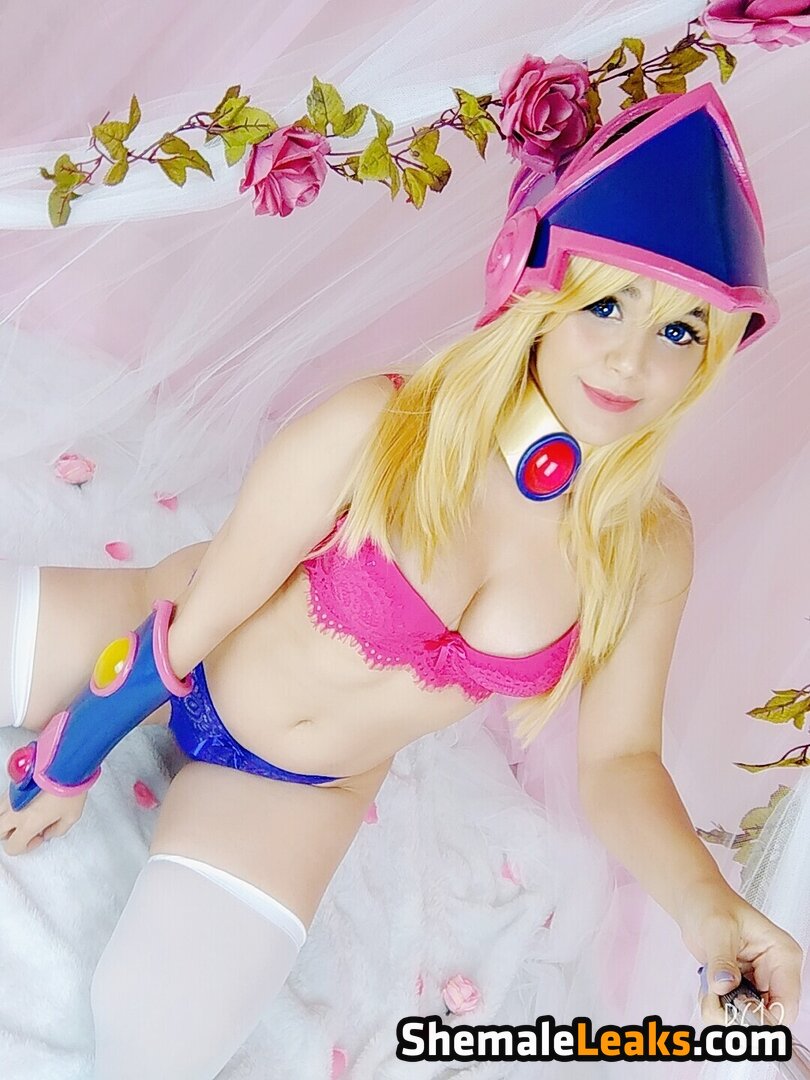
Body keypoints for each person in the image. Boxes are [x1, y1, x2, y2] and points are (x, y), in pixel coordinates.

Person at [0, 85, 803, 1078]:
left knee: (154, 1043)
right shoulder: (379, 426)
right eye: (605, 304)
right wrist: (73, 754)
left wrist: (709, 908)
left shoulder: (646, 547)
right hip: (167, 635)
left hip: (301, 787)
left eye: (681, 332)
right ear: (536, 287)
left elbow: (620, 761)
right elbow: (204, 613)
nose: (632, 361)